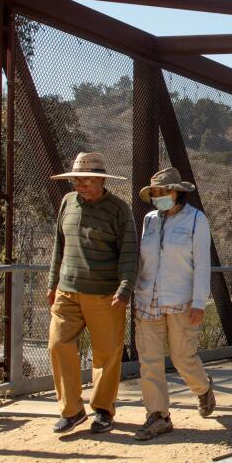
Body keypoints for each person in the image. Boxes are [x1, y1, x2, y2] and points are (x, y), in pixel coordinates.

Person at [46, 152, 138, 435]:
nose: (80, 184)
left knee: (106, 355)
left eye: (86, 179)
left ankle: (103, 410)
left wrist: (124, 289)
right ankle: (72, 411)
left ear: (101, 179)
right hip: (67, 291)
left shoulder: (119, 209)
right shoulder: (67, 203)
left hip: (104, 295)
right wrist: (52, 282)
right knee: (57, 345)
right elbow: (58, 245)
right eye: (76, 179)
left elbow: (130, 253)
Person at [132, 167, 217, 440]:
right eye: (154, 193)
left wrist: (199, 301)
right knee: (149, 361)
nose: (159, 197)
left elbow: (203, 263)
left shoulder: (196, 220)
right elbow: (143, 260)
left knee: (182, 358)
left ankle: (203, 388)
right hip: (148, 301)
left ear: (177, 192)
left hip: (181, 301)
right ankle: (158, 416)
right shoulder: (149, 220)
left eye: (163, 192)